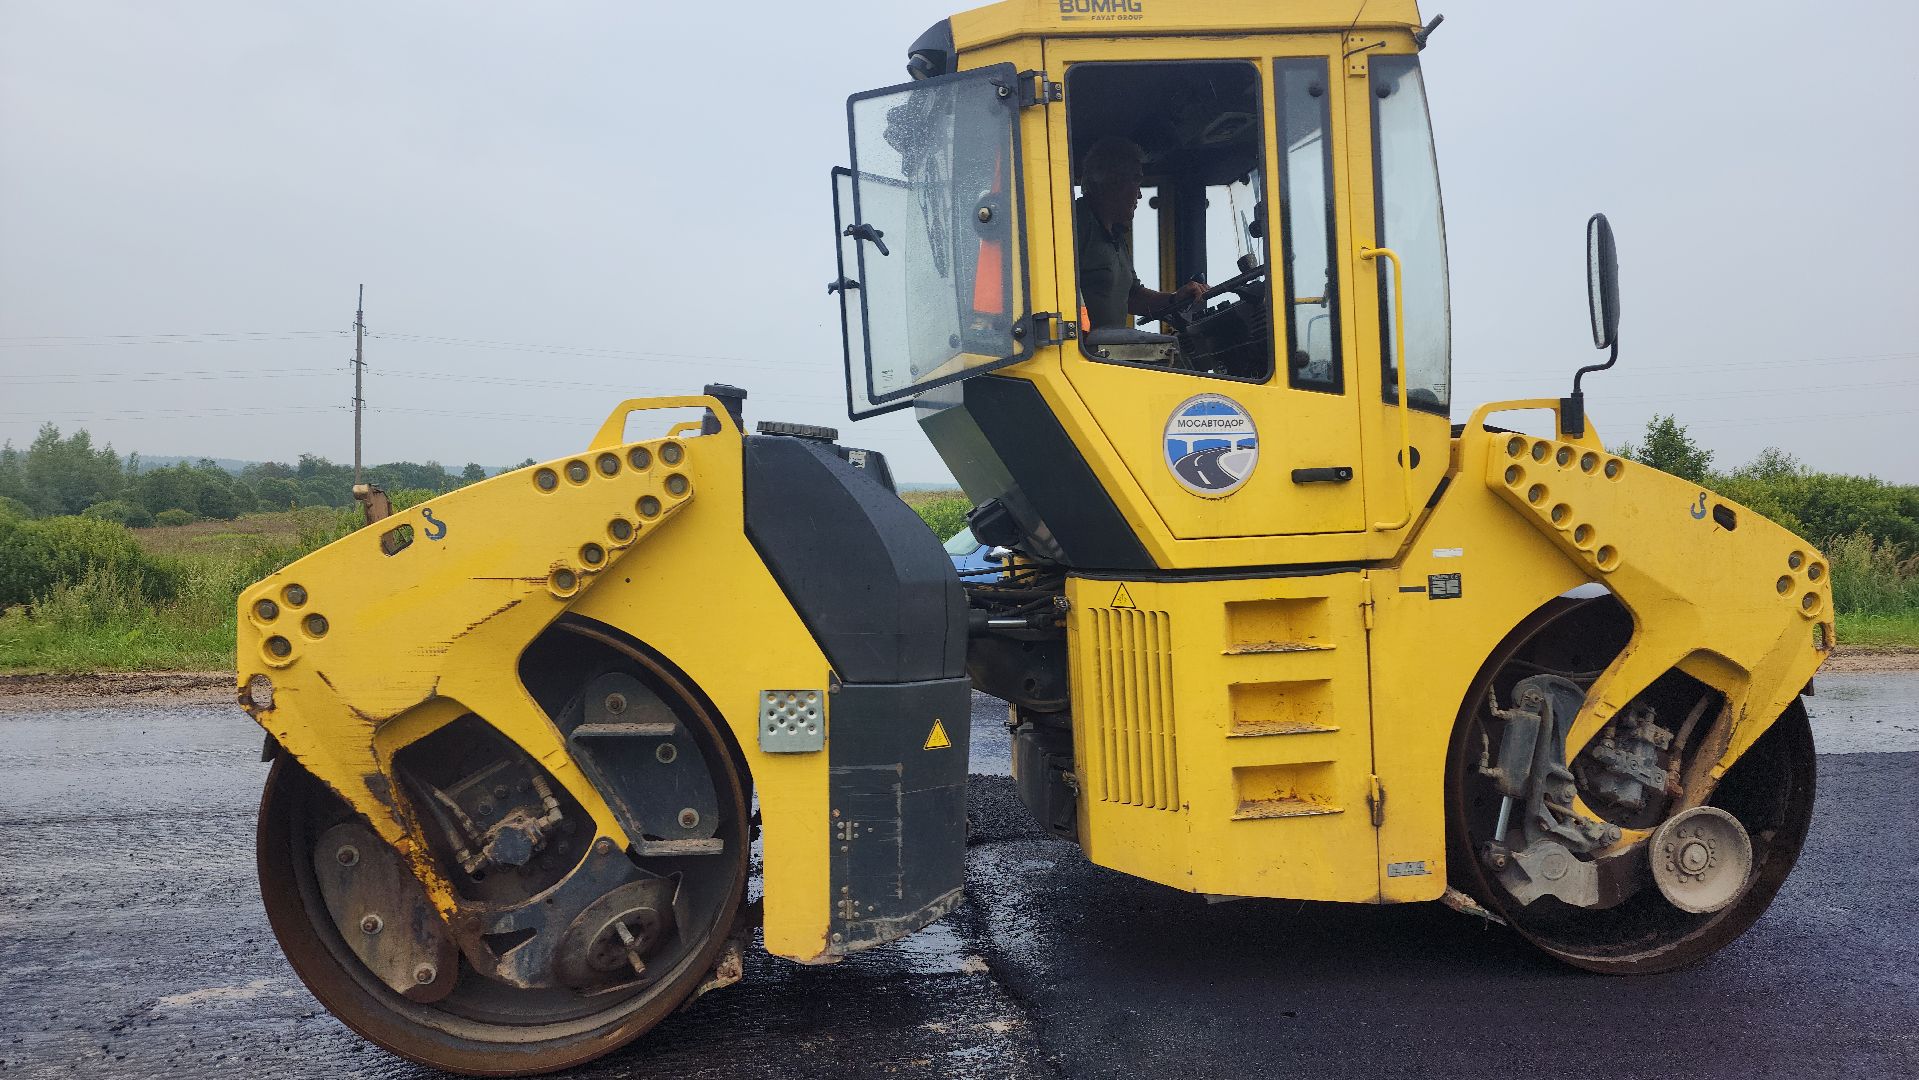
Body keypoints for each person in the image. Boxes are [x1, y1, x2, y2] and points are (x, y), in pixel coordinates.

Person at [1075, 136, 1205, 330]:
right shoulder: (1075, 225)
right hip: (1082, 347)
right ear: (1110, 180)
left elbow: (1131, 296)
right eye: (1135, 180)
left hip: (1110, 347)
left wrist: (1175, 299)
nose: (1140, 193)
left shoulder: (1116, 235)